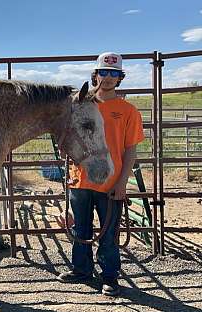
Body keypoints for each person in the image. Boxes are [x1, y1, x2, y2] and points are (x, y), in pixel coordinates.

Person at [57, 52, 145, 296]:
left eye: (113, 73)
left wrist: (122, 183)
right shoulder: (81, 106)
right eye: (103, 72)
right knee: (80, 228)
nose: (107, 78)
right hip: (80, 178)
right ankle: (81, 269)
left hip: (110, 181)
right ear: (95, 75)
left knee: (108, 233)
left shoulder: (128, 111)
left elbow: (130, 150)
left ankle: (109, 276)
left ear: (119, 78)